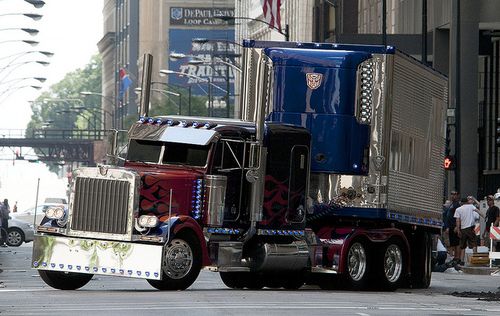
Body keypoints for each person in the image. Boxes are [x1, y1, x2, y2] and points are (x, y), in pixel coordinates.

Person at [454, 196, 483, 265]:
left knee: (463, 246)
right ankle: (475, 259)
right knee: (474, 244)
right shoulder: (471, 206)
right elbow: (478, 211)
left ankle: (462, 261)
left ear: (461, 203)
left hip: (463, 229)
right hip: (470, 229)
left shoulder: (458, 209)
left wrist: (458, 230)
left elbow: (457, 221)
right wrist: (485, 217)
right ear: (467, 202)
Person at [445, 190, 461, 260]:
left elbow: (458, 216)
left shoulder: (457, 204)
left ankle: (457, 257)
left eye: (455, 194)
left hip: (454, 226)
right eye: (452, 194)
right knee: (452, 243)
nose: (453, 195)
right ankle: (454, 257)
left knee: (456, 243)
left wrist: (456, 227)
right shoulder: (452, 204)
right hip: (450, 227)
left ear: (457, 196)